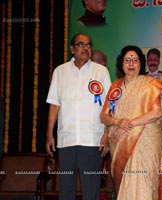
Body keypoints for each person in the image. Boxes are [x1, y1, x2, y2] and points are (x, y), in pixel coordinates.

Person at [46, 33, 111, 200]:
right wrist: (49, 135)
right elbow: (54, 104)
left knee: (91, 190)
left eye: (89, 45)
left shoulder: (101, 72)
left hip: (92, 140)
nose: (85, 48)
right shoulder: (60, 71)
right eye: (81, 44)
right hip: (66, 140)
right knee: (65, 189)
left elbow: (109, 106)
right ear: (72, 49)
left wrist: (106, 134)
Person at [100, 45, 162, 199]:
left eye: (135, 60)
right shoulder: (115, 87)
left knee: (145, 185)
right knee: (124, 188)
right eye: (127, 60)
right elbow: (103, 116)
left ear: (141, 64)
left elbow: (157, 112)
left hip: (145, 142)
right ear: (121, 63)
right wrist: (117, 122)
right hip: (120, 143)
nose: (131, 64)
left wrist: (128, 125)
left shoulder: (150, 84)